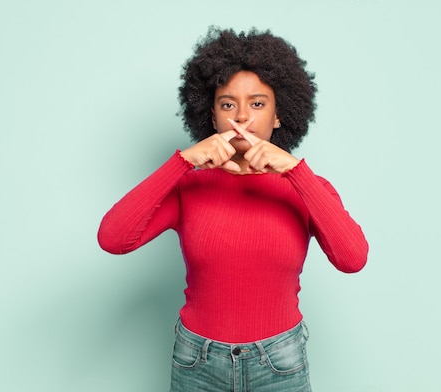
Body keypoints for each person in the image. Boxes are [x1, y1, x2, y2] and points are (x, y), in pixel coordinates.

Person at [97, 27, 368, 392]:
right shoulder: (188, 186)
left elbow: (352, 259)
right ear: (211, 117)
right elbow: (113, 239)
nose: (242, 117)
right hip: (197, 362)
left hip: (279, 363)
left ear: (278, 115)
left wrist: (293, 170)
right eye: (228, 104)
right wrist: (182, 162)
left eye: (257, 104)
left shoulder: (306, 187)